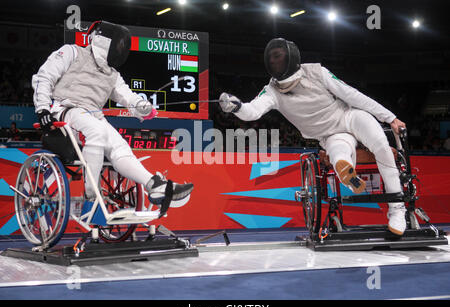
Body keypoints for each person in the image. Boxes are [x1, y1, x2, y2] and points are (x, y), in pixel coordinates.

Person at [219, 38, 407, 235]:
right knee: (339, 154)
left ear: (291, 57)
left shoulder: (317, 72)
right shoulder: (272, 90)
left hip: (349, 117)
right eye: (271, 58)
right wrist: (237, 106)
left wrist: (389, 117)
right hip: (330, 134)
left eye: (278, 56)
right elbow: (252, 111)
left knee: (381, 145)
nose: (274, 62)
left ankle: (397, 211)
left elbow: (351, 94)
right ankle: (348, 176)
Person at [32, 20, 193, 223]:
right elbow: (44, 77)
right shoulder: (72, 52)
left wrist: (141, 106)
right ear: (103, 41)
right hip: (66, 111)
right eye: (118, 45)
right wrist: (42, 108)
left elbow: (128, 96)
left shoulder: (113, 75)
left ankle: (155, 186)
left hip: (93, 117)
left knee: (120, 147)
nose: (120, 50)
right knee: (97, 132)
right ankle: (92, 199)